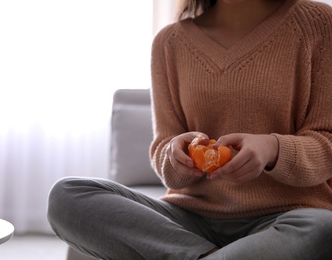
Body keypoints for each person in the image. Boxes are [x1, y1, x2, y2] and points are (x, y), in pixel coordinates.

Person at [47, 0, 332, 259]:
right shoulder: (169, 42)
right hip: (188, 219)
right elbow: (163, 148)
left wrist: (272, 149)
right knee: (67, 196)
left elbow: (327, 143)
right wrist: (175, 154)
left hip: (288, 218)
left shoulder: (318, 23)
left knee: (324, 228)